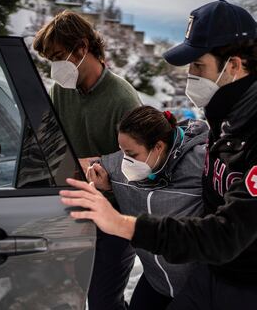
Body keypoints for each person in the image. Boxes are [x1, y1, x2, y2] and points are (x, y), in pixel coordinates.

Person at [60, 0, 257, 309]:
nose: (190, 76)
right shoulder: (224, 118)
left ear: (233, 65)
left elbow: (226, 234)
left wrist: (124, 225)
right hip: (210, 271)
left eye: (198, 66)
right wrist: (116, 183)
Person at [33, 10, 142, 310]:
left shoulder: (122, 99)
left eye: (58, 56)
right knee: (72, 295)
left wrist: (101, 169)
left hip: (114, 217)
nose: (55, 67)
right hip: (73, 212)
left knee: (104, 301)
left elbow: (141, 166)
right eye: (50, 60)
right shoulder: (61, 91)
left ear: (82, 48)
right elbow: (49, 144)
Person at [84, 105, 208, 309]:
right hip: (155, 282)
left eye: (131, 153)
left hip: (196, 287)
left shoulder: (200, 163)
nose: (125, 160)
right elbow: (92, 165)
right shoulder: (122, 166)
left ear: (158, 147)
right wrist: (104, 184)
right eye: (122, 152)